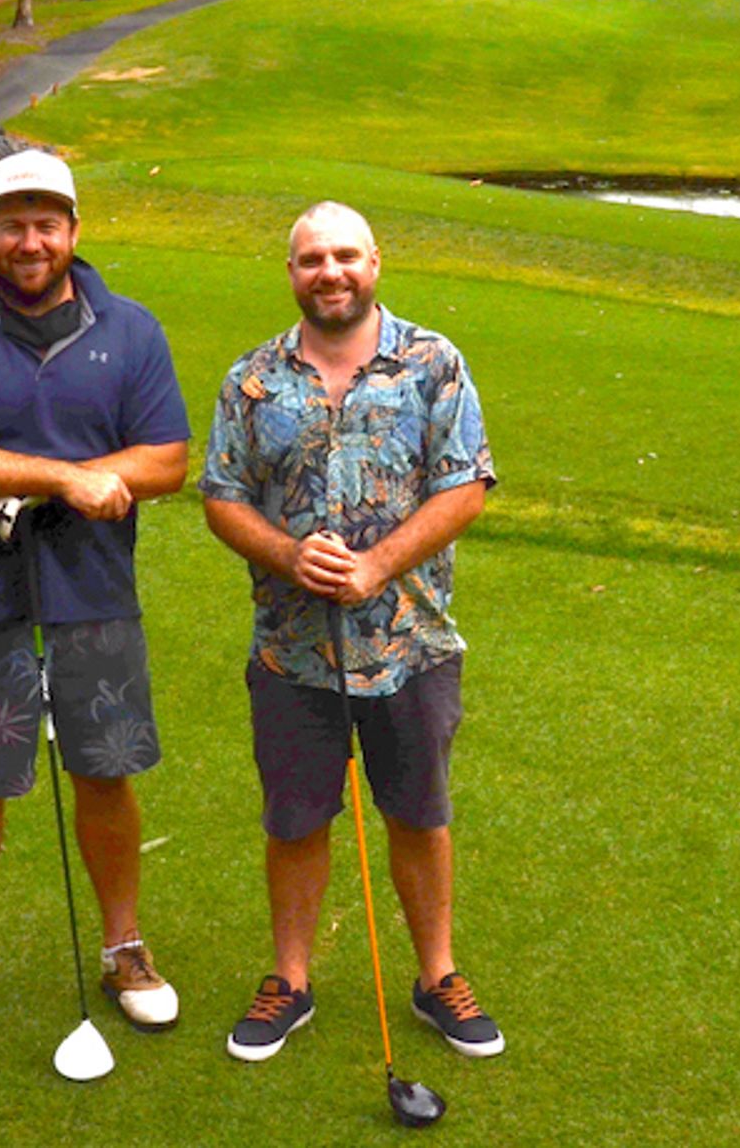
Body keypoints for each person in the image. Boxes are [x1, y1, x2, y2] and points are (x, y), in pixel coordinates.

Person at [0, 150, 191, 1043]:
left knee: (105, 770)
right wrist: (60, 479)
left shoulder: (130, 331)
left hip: (95, 592)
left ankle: (125, 948)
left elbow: (167, 459)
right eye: (13, 225)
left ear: (74, 230)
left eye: (47, 224)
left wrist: (53, 482)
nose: (31, 241)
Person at [200, 201, 505, 1064]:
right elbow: (222, 497)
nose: (328, 272)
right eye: (311, 260)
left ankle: (437, 976)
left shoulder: (433, 363)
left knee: (418, 811)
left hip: (412, 644)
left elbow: (465, 488)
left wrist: (376, 567)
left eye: (344, 256)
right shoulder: (253, 379)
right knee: (296, 819)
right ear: (291, 273)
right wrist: (287, 554)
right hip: (291, 649)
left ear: (374, 263)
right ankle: (290, 980)